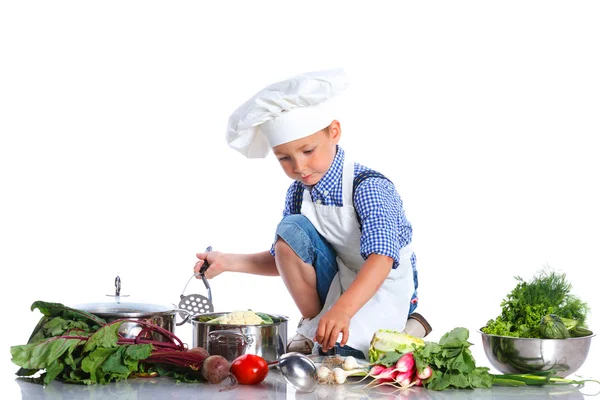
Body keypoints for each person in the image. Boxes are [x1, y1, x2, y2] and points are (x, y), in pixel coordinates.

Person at [194, 69, 431, 359]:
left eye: (308, 150)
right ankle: (314, 325)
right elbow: (286, 256)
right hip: (343, 276)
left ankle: (410, 324)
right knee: (290, 229)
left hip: (387, 280)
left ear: (334, 132)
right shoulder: (299, 191)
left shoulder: (369, 187)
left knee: (346, 352)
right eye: (284, 158)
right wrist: (228, 262)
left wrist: (343, 309)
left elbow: (382, 259)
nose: (299, 166)